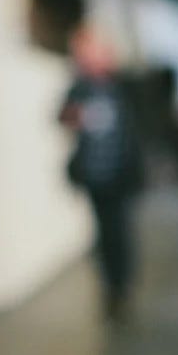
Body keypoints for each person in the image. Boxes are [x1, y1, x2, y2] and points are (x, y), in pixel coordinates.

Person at [58, 26, 145, 321]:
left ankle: (122, 285)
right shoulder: (79, 87)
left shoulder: (121, 85)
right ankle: (111, 287)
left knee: (120, 231)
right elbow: (61, 117)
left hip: (120, 172)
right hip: (94, 174)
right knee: (104, 233)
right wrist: (78, 116)